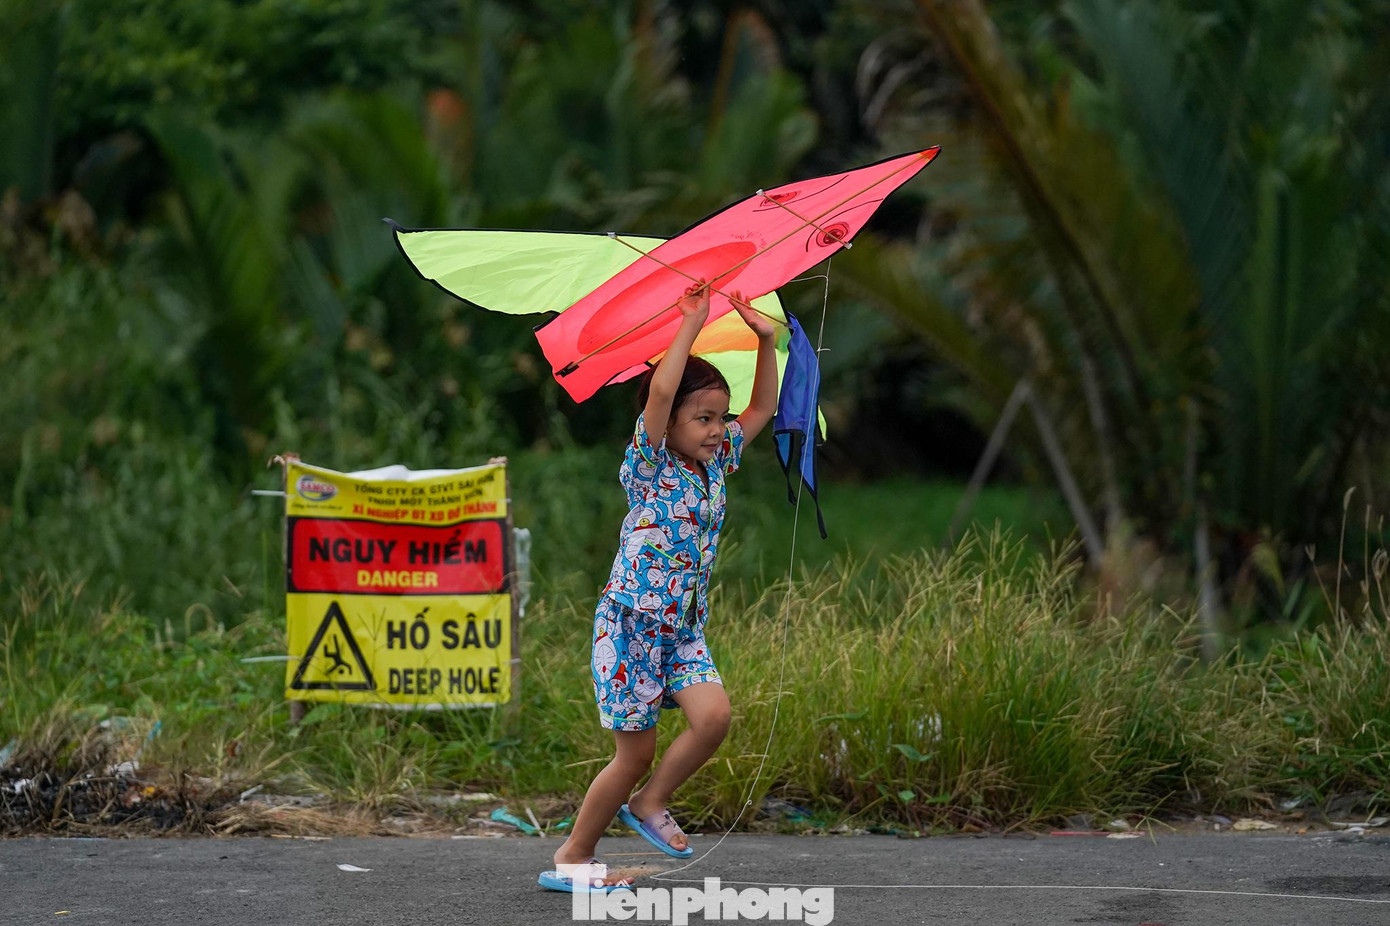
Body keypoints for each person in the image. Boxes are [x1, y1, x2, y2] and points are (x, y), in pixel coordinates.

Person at [538, 281, 779, 893]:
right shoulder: (648, 465)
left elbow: (763, 412)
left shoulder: (717, 465)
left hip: (683, 631)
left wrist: (767, 340)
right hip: (631, 630)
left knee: (714, 718)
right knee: (633, 754)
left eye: (719, 419)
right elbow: (666, 388)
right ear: (665, 423)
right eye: (703, 419)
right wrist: (690, 324)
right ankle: (573, 855)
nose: (718, 429)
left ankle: (650, 804)